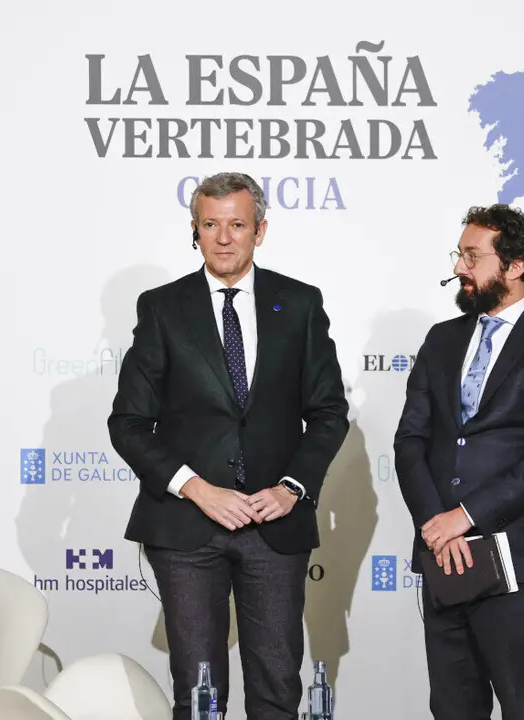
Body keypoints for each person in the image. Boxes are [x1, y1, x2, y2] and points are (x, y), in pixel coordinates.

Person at [108, 172, 349, 720]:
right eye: (210, 224)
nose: (223, 237)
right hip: (186, 528)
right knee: (198, 694)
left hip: (275, 525)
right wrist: (195, 488)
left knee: (276, 687)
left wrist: (293, 488)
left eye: (236, 224)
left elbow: (330, 413)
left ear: (259, 230)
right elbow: (128, 423)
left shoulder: (301, 303)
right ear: (194, 231)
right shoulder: (163, 308)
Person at [394, 204, 524, 720]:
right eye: (459, 254)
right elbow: (410, 441)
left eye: (473, 256)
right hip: (443, 558)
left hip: (516, 556)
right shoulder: (442, 340)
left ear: (516, 265)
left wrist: (465, 517)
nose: (460, 267)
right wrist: (437, 526)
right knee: (454, 708)